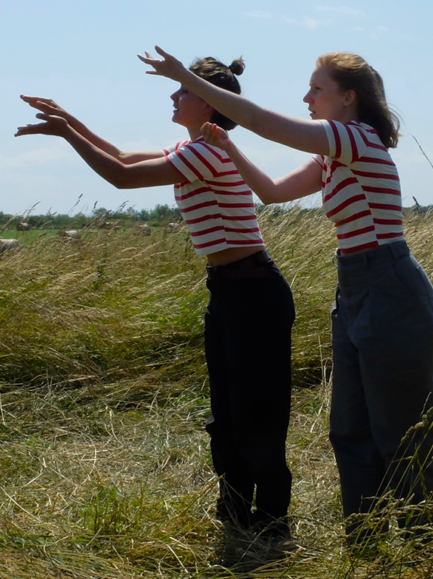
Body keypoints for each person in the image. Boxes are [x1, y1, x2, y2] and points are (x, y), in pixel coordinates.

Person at [141, 48, 433, 542]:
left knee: (401, 432)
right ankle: (364, 542)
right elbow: (273, 192)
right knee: (348, 430)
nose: (306, 96)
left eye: (316, 89)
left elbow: (258, 119)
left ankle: (420, 547)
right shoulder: (332, 155)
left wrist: (182, 75)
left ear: (348, 98)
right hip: (353, 287)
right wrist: (228, 147)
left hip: (390, 287)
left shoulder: (356, 138)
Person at [15, 57, 296, 538]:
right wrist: (69, 119)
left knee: (257, 411)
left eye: (182, 92)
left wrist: (65, 132)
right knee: (226, 411)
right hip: (229, 290)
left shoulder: (209, 151)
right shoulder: (193, 147)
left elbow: (121, 178)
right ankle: (234, 515)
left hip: (254, 292)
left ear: (208, 102)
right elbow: (124, 158)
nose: (173, 97)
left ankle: (270, 524)